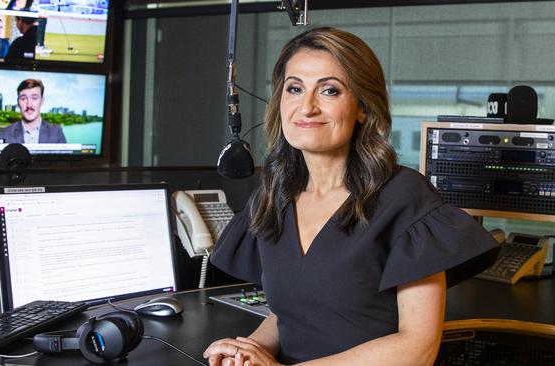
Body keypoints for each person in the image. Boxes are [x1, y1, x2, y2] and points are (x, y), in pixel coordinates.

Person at [203, 27, 499, 366]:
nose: (307, 107)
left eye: (329, 90)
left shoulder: (405, 197)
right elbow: (292, 316)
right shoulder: (272, 196)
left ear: (362, 108)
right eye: (294, 88)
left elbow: (417, 349)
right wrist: (247, 351)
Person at [0, 79, 66, 144]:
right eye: (23, 99)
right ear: (18, 102)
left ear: (42, 101)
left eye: (34, 98)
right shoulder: (4, 133)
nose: (29, 105)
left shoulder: (56, 133)